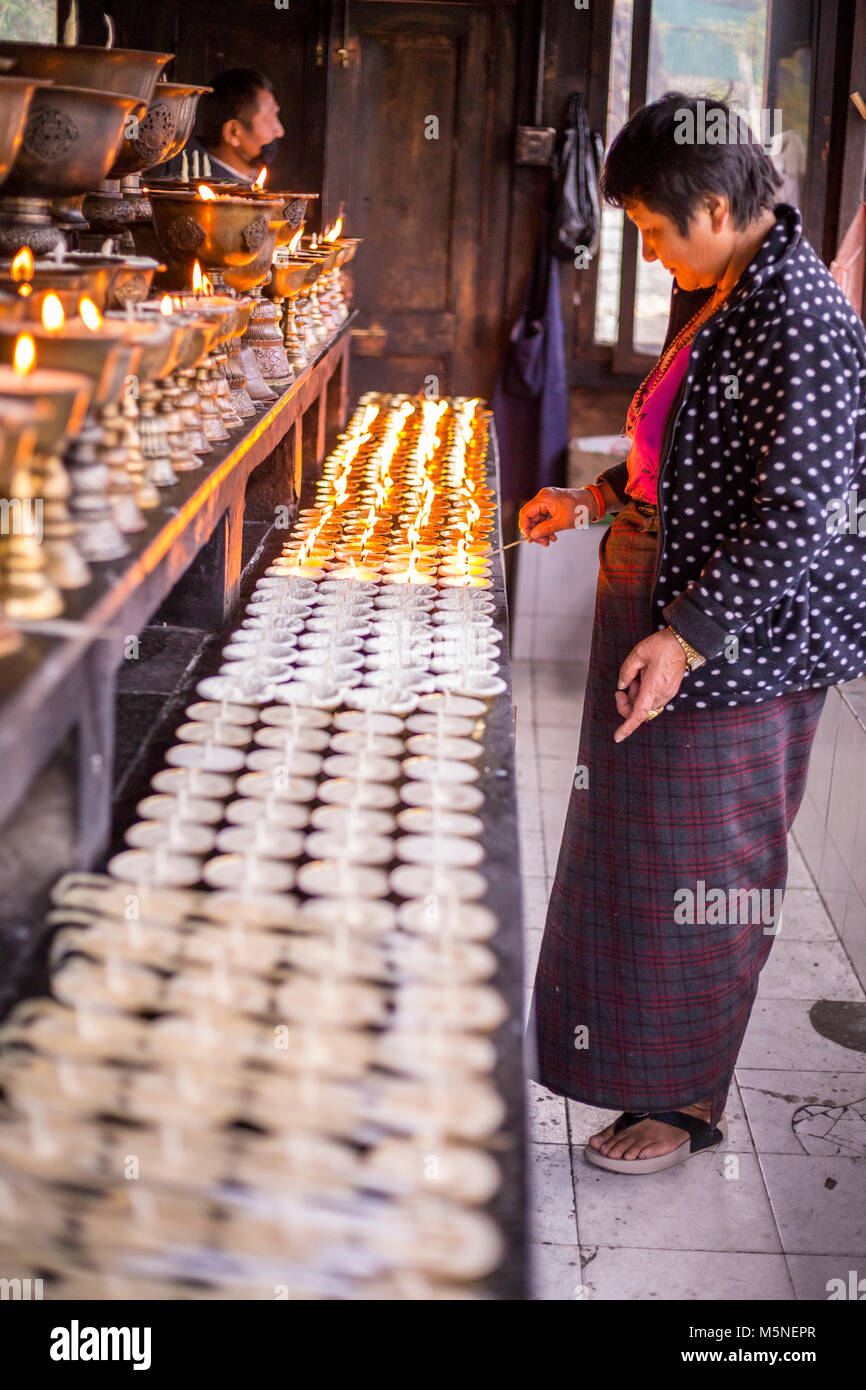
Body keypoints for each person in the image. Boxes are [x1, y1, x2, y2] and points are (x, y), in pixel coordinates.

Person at [522, 91, 866, 1174]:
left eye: (653, 230)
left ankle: (682, 1101)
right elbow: (686, 446)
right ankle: (635, 1072)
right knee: (634, 857)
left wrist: (683, 637)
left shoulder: (802, 319)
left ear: (715, 206)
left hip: (737, 644)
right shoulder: (723, 289)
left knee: (707, 865)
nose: (648, 249)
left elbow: (800, 515)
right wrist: (589, 499)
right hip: (669, 601)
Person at [154, 68, 284, 185]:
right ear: (233, 132)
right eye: (269, 119)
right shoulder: (183, 183)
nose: (280, 131)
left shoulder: (251, 179)